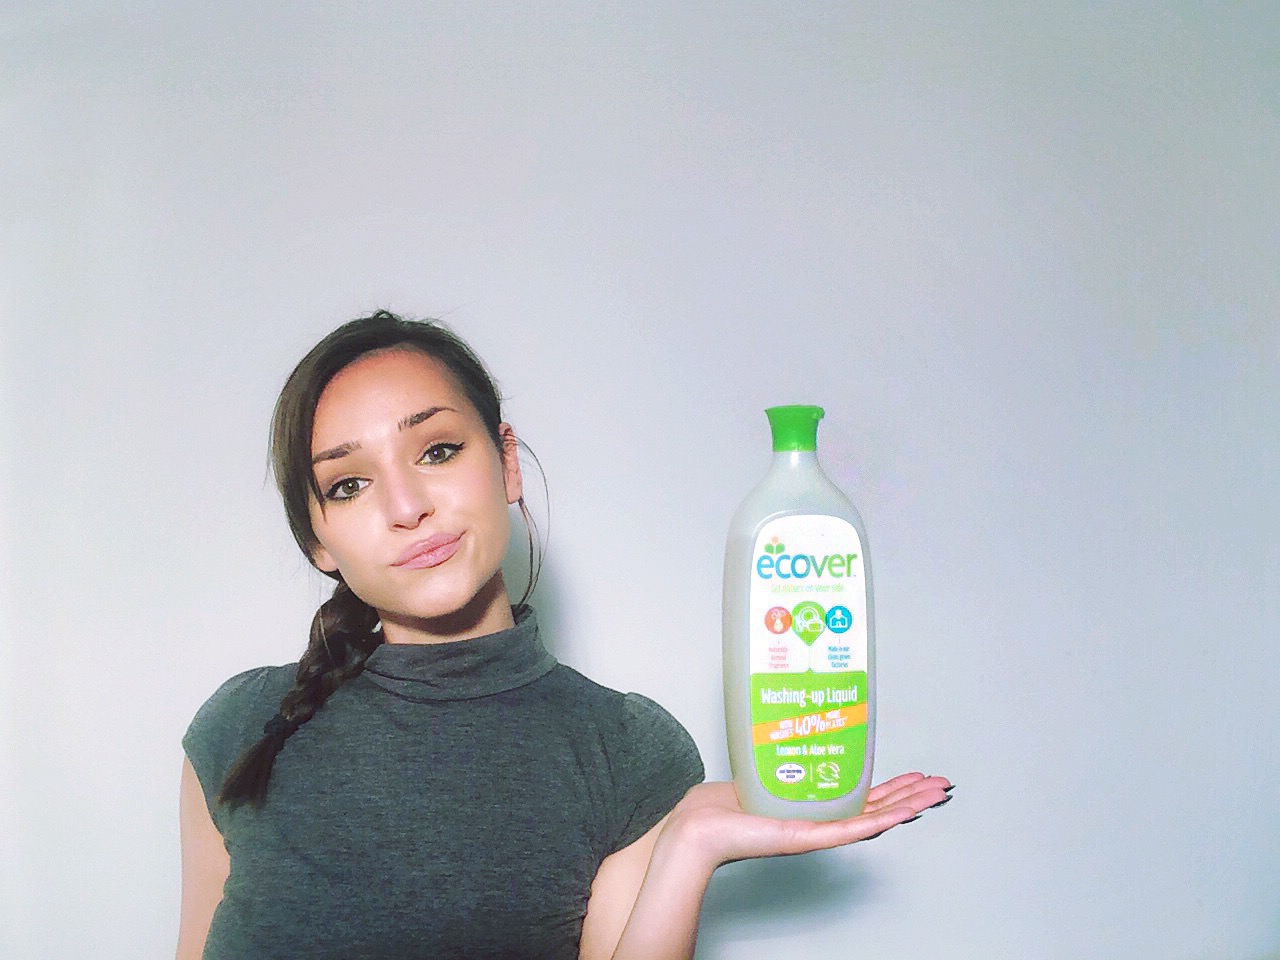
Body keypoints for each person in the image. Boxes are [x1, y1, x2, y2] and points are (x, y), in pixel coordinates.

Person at [177, 310, 952, 959]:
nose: (407, 505)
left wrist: (690, 845)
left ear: (506, 463)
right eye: (349, 483)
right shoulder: (242, 727)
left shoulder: (627, 750)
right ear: (317, 540)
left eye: (438, 449)